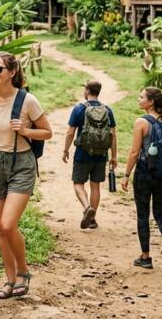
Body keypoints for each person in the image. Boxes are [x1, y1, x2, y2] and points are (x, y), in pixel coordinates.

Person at [0, 53, 52, 299]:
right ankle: (9, 280)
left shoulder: (27, 100)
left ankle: (23, 271)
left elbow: (47, 132)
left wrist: (26, 130)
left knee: (9, 224)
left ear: (12, 72)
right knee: (1, 228)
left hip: (21, 163)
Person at [121, 87, 162, 271]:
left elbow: (134, 152)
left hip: (144, 172)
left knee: (143, 214)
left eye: (141, 97)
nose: (138, 99)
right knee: (161, 214)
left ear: (151, 102)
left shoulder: (141, 122)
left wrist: (126, 175)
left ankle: (145, 257)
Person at [62, 81, 117, 229]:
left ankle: (87, 208)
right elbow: (112, 135)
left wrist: (65, 150)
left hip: (83, 153)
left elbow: (70, 133)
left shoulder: (79, 109)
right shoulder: (107, 110)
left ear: (87, 91)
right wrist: (114, 156)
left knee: (78, 183)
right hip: (101, 154)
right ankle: (92, 219)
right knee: (95, 186)